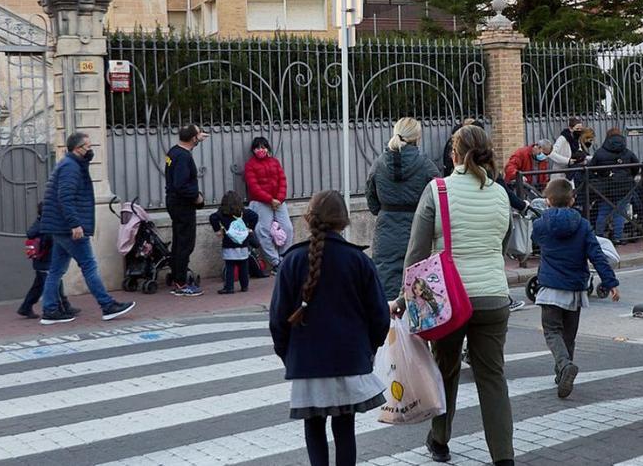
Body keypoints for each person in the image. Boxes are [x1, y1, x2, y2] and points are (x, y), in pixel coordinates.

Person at [398, 125, 515, 466]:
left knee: (445, 369)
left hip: (448, 301)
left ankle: (440, 440)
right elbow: (501, 244)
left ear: (455, 154)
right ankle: (503, 457)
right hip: (494, 296)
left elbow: (416, 253)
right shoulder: (501, 194)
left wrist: (403, 299)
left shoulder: (438, 191)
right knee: (492, 377)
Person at [269, 190, 388, 466]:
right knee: (345, 428)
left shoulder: (292, 261)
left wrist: (289, 356)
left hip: (307, 363)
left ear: (309, 219)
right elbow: (380, 316)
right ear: (343, 222)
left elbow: (278, 319)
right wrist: (367, 351)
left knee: (313, 427)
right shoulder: (359, 261)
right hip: (349, 360)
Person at [531, 179, 620, 398]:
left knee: (552, 331)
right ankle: (562, 372)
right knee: (568, 336)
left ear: (548, 200)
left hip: (550, 287)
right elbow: (596, 255)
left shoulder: (541, 224)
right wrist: (610, 283)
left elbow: (534, 239)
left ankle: (563, 366)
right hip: (575, 289)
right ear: (572, 200)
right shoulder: (582, 225)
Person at [37, 132, 136, 325]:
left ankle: (50, 310)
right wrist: (75, 224)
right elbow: (65, 197)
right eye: (87, 147)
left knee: (56, 270)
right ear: (77, 149)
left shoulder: (72, 165)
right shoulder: (70, 167)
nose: (90, 151)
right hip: (68, 228)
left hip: (59, 226)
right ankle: (107, 305)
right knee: (89, 265)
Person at [365, 117, 441, 302]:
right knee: (418, 280)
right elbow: (439, 196)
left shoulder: (379, 164)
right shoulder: (426, 165)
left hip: (386, 231)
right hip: (418, 228)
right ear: (418, 137)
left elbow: (372, 200)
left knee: (386, 282)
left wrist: (385, 211)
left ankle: (391, 327)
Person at [166, 124, 208, 297]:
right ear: (192, 138)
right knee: (185, 244)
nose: (201, 136)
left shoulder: (174, 151)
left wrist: (198, 135)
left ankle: (176, 276)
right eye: (198, 134)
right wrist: (197, 197)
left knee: (178, 241)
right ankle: (181, 284)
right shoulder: (183, 157)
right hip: (183, 204)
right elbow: (181, 184)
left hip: (174, 202)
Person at [18, 203, 77, 319]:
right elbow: (51, 240)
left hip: (42, 261)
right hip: (46, 261)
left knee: (39, 286)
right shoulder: (46, 226)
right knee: (54, 283)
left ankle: (26, 307)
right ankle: (61, 308)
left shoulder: (39, 223)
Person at [244, 136, 295, 270]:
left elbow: (282, 181)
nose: (260, 150)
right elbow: (253, 187)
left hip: (278, 201)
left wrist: (279, 198)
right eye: (257, 148)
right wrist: (269, 199)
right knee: (263, 231)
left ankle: (284, 257)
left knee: (288, 228)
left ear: (267, 148)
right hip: (261, 202)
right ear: (253, 150)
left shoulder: (275, 162)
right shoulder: (250, 165)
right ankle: (275, 262)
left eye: (263, 147)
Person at [591, 127, 640, 245]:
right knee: (620, 212)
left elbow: (591, 168)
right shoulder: (627, 151)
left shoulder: (600, 152)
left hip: (606, 187)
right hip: (625, 187)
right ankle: (618, 237)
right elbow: (636, 166)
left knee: (603, 212)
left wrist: (600, 177)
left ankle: (599, 237)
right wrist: (630, 177)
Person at [209, 191, 259, 294]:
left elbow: (212, 217)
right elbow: (255, 216)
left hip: (229, 245)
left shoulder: (222, 213)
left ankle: (229, 287)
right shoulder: (244, 212)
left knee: (230, 267)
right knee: (244, 267)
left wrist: (217, 230)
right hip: (243, 244)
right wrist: (250, 228)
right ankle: (244, 286)